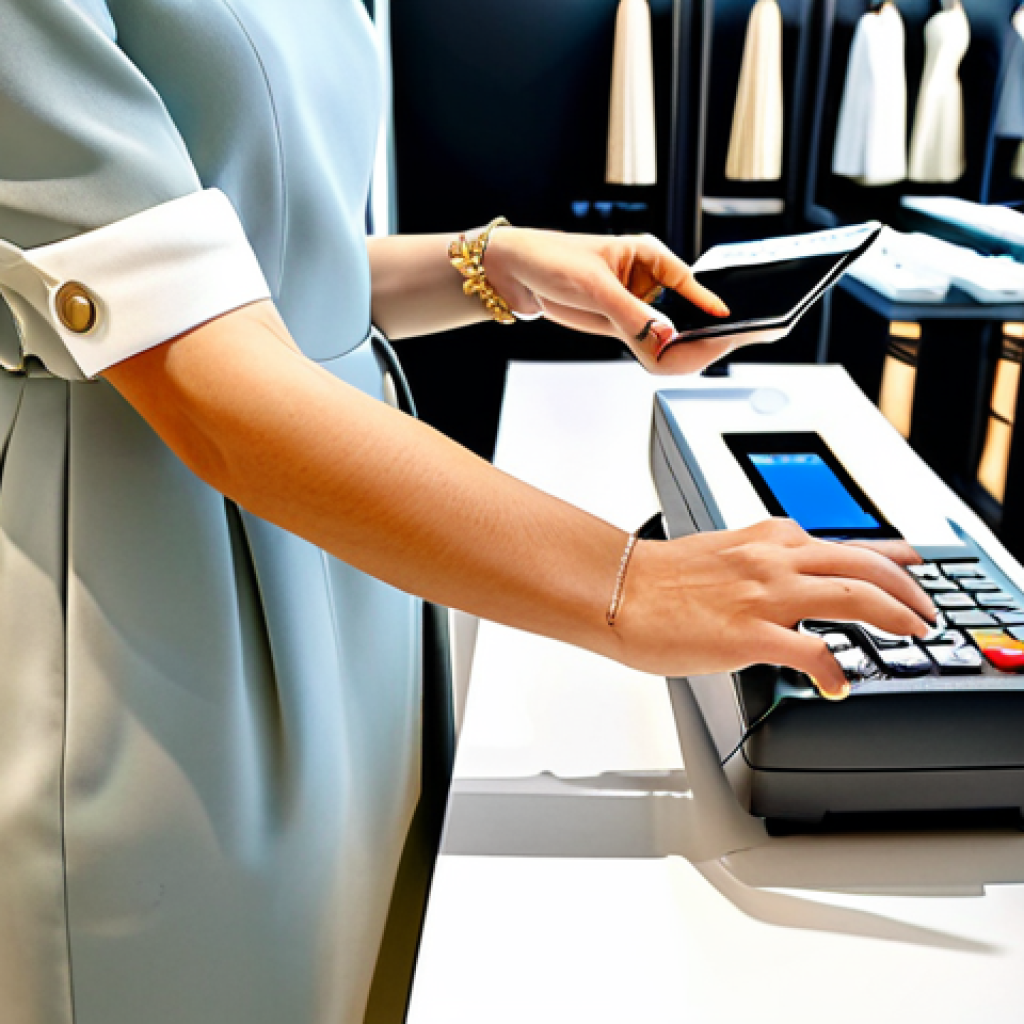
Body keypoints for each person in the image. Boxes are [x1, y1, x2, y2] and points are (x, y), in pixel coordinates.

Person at [0, 1, 935, 1022]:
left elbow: (264, 268)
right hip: (160, 592)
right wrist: (628, 584)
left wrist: (492, 266)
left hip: (352, 547)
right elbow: (188, 360)